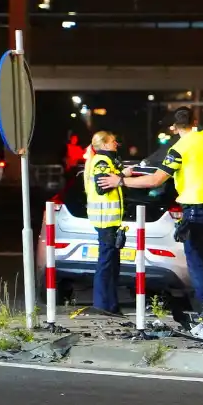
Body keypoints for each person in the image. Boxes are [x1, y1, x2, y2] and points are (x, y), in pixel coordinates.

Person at [99, 108, 203, 321]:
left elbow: (155, 181)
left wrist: (119, 181)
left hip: (195, 209)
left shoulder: (178, 150)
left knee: (196, 259)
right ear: (195, 121)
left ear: (174, 127)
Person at [84, 131, 126, 314]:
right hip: (105, 220)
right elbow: (102, 187)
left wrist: (121, 173)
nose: (116, 143)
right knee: (106, 263)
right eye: (113, 141)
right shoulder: (102, 161)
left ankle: (110, 305)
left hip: (108, 220)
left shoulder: (104, 160)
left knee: (112, 264)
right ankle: (102, 305)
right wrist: (122, 177)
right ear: (105, 145)